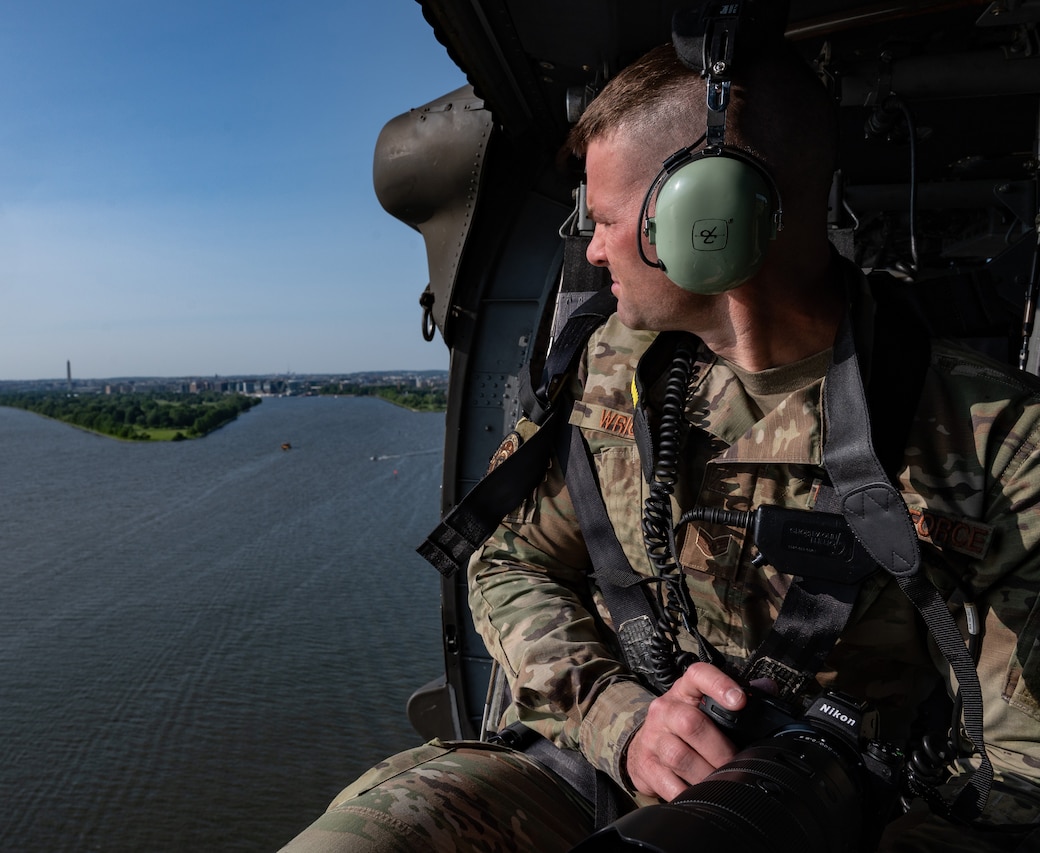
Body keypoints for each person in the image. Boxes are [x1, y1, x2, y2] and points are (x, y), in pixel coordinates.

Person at [282, 39, 1040, 852]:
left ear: (703, 222)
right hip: (608, 761)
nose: (595, 248)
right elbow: (507, 561)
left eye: (605, 219)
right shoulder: (606, 369)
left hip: (842, 814)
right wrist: (623, 719)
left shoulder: (997, 441)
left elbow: (1020, 785)